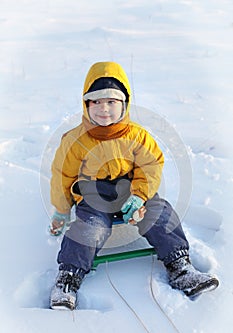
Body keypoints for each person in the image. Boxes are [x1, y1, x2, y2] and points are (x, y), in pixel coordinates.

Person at [49, 61, 219, 310]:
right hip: (94, 196)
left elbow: (151, 166)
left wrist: (139, 195)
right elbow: (62, 175)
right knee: (90, 229)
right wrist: (61, 210)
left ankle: (180, 266)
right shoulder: (74, 141)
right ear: (86, 105)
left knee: (161, 213)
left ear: (124, 103)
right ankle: (68, 277)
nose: (103, 109)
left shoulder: (137, 136)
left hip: (131, 190)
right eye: (95, 102)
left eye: (111, 102)